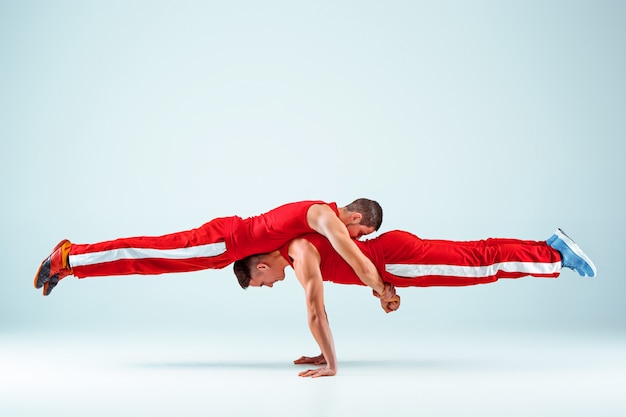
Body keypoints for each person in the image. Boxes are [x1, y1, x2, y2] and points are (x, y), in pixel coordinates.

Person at [233, 228, 597, 378]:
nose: (267, 286)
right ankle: (549, 248)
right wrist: (322, 352)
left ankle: (556, 256)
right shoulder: (298, 249)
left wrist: (330, 363)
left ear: (261, 266)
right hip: (394, 256)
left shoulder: (298, 253)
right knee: (475, 254)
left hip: (396, 261)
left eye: (260, 282)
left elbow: (316, 311)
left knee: (477, 265)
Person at [34, 198, 398, 309]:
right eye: (360, 232)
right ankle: (68, 256)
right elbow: (353, 257)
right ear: (353, 218)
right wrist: (382, 289)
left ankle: (72, 267)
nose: (357, 239)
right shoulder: (324, 215)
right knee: (146, 252)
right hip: (226, 240)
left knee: (147, 265)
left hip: (224, 248)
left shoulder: (321, 223)